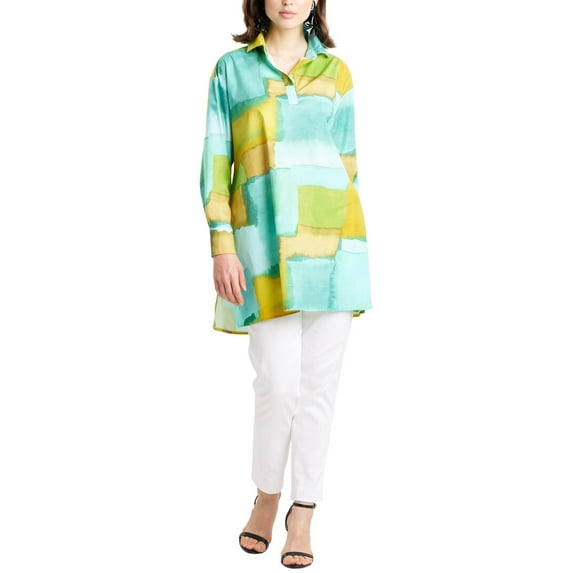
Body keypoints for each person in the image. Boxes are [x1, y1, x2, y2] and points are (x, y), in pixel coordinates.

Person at [199, 0, 372, 568]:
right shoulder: (232, 69)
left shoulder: (336, 72)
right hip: (263, 248)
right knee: (277, 382)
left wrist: (347, 248)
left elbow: (347, 164)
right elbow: (216, 159)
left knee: (320, 388)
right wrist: (222, 242)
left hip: (333, 247)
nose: (289, 0)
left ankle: (304, 511)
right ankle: (267, 495)